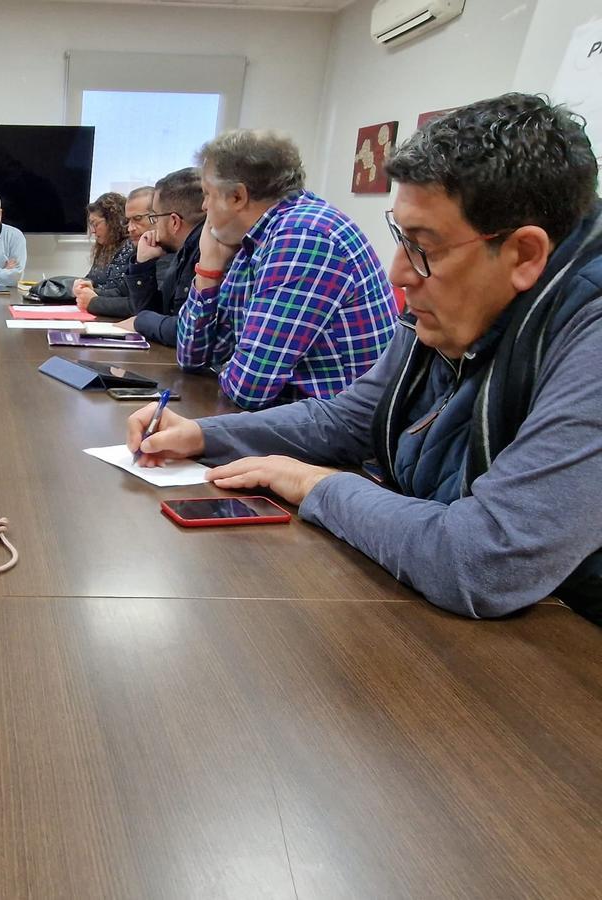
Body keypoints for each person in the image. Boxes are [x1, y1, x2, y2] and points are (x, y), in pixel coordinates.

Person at [127, 93, 602, 624]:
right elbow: (349, 418)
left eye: (422, 245)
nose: (398, 273)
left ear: (524, 255)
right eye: (401, 236)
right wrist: (202, 435)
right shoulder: (447, 301)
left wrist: (316, 484)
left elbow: (482, 561)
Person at [177, 130, 396, 410]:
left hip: (341, 437)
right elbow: (193, 358)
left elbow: (249, 387)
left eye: (207, 194)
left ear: (237, 197)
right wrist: (208, 269)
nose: (204, 206)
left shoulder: (303, 236)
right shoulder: (255, 240)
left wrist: (228, 365)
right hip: (294, 420)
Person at [125, 168, 207, 346]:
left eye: (154, 217)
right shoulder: (183, 251)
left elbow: (187, 331)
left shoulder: (207, 252)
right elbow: (157, 313)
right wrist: (143, 265)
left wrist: (141, 320)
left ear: (174, 222)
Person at [75, 186, 161, 318]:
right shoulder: (139, 248)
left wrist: (94, 301)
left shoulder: (166, 255)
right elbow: (122, 291)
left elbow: (140, 307)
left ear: (157, 217)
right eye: (128, 221)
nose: (130, 228)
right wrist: (90, 288)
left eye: (137, 219)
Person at [70, 192, 134, 313]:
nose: (93, 231)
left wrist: (91, 292)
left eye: (96, 224)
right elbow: (92, 277)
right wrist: (82, 284)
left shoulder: (130, 246)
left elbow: (116, 290)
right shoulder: (104, 248)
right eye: (91, 225)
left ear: (113, 222)